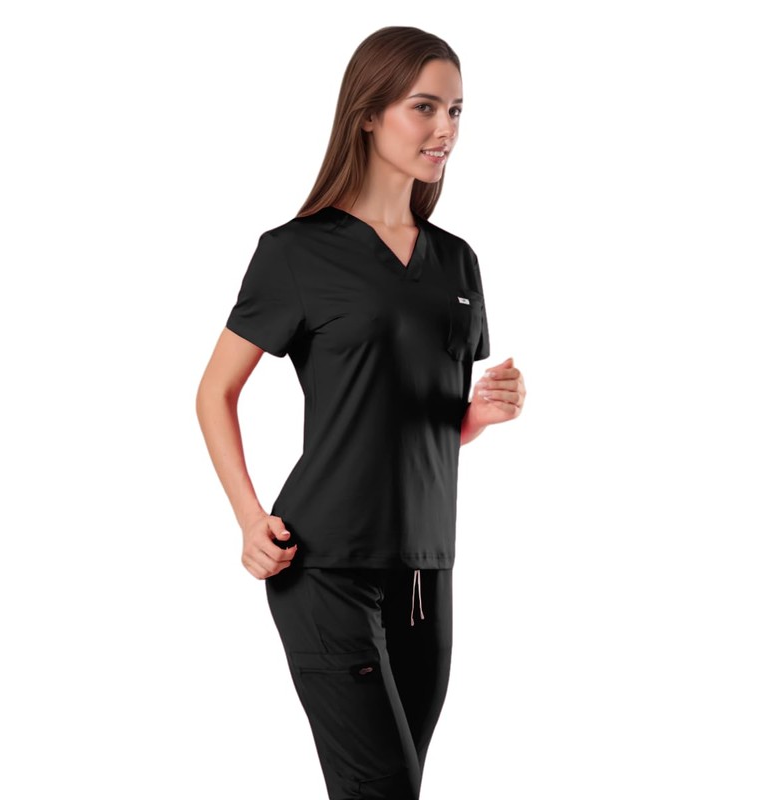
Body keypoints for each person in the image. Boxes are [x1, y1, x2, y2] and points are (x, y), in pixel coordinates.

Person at [196, 25, 526, 800]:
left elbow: (426, 419)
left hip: (427, 572)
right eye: (425, 107)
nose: (446, 129)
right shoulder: (295, 253)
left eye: (456, 111)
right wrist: (249, 519)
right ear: (369, 114)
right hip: (324, 563)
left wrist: (479, 414)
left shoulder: (457, 262)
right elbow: (214, 391)